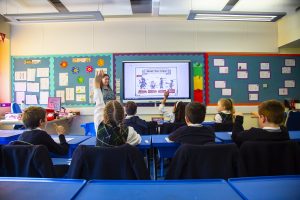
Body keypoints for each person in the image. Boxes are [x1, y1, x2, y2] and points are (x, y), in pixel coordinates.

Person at [94, 70, 141, 147]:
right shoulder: (129, 132)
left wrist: (96, 84)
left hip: (103, 159)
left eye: (108, 79)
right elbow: (138, 139)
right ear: (123, 115)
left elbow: (99, 104)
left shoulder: (99, 126)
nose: (107, 80)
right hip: (120, 159)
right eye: (105, 79)